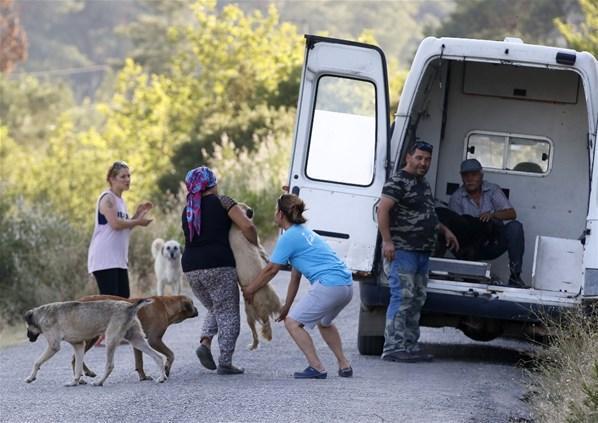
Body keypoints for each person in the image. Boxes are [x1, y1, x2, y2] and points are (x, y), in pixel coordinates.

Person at [243, 194, 353, 380]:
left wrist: (250, 289)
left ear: (280, 214)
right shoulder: (305, 232)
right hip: (345, 285)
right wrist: (286, 307)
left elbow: (271, 269)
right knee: (324, 322)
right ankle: (344, 365)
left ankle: (317, 367)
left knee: (293, 323)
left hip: (329, 285)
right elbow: (295, 276)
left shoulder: (289, 237)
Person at [377, 141, 459, 363]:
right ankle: (393, 348)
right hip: (402, 250)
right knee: (402, 297)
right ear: (408, 157)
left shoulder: (423, 184)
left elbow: (426, 213)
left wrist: (444, 229)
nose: (424, 163)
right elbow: (382, 210)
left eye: (427, 159)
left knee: (416, 299)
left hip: (422, 252)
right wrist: (387, 241)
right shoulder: (398, 182)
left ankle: (410, 346)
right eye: (419, 158)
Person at [181, 166, 258, 376]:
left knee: (215, 307)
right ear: (211, 184)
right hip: (218, 265)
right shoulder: (223, 201)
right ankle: (225, 363)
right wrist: (255, 246)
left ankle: (205, 343)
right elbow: (247, 226)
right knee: (228, 312)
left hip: (190, 267)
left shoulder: (188, 208)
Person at [437, 158, 526, 288]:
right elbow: (453, 229)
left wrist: (492, 215)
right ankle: (457, 273)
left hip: (492, 242)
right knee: (442, 228)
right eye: (466, 175)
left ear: (481, 175)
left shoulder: (493, 190)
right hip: (467, 245)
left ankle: (515, 276)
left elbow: (512, 214)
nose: (470, 179)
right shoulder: (456, 197)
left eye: (474, 175)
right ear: (461, 177)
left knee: (515, 227)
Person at [88, 160, 153, 298]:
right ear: (112, 179)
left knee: (124, 302)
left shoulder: (120, 201)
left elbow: (124, 228)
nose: (127, 179)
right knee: (113, 306)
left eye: (129, 176)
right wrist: (138, 221)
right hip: (105, 260)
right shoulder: (108, 199)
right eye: (123, 176)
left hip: (118, 260)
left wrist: (138, 215)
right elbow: (116, 224)